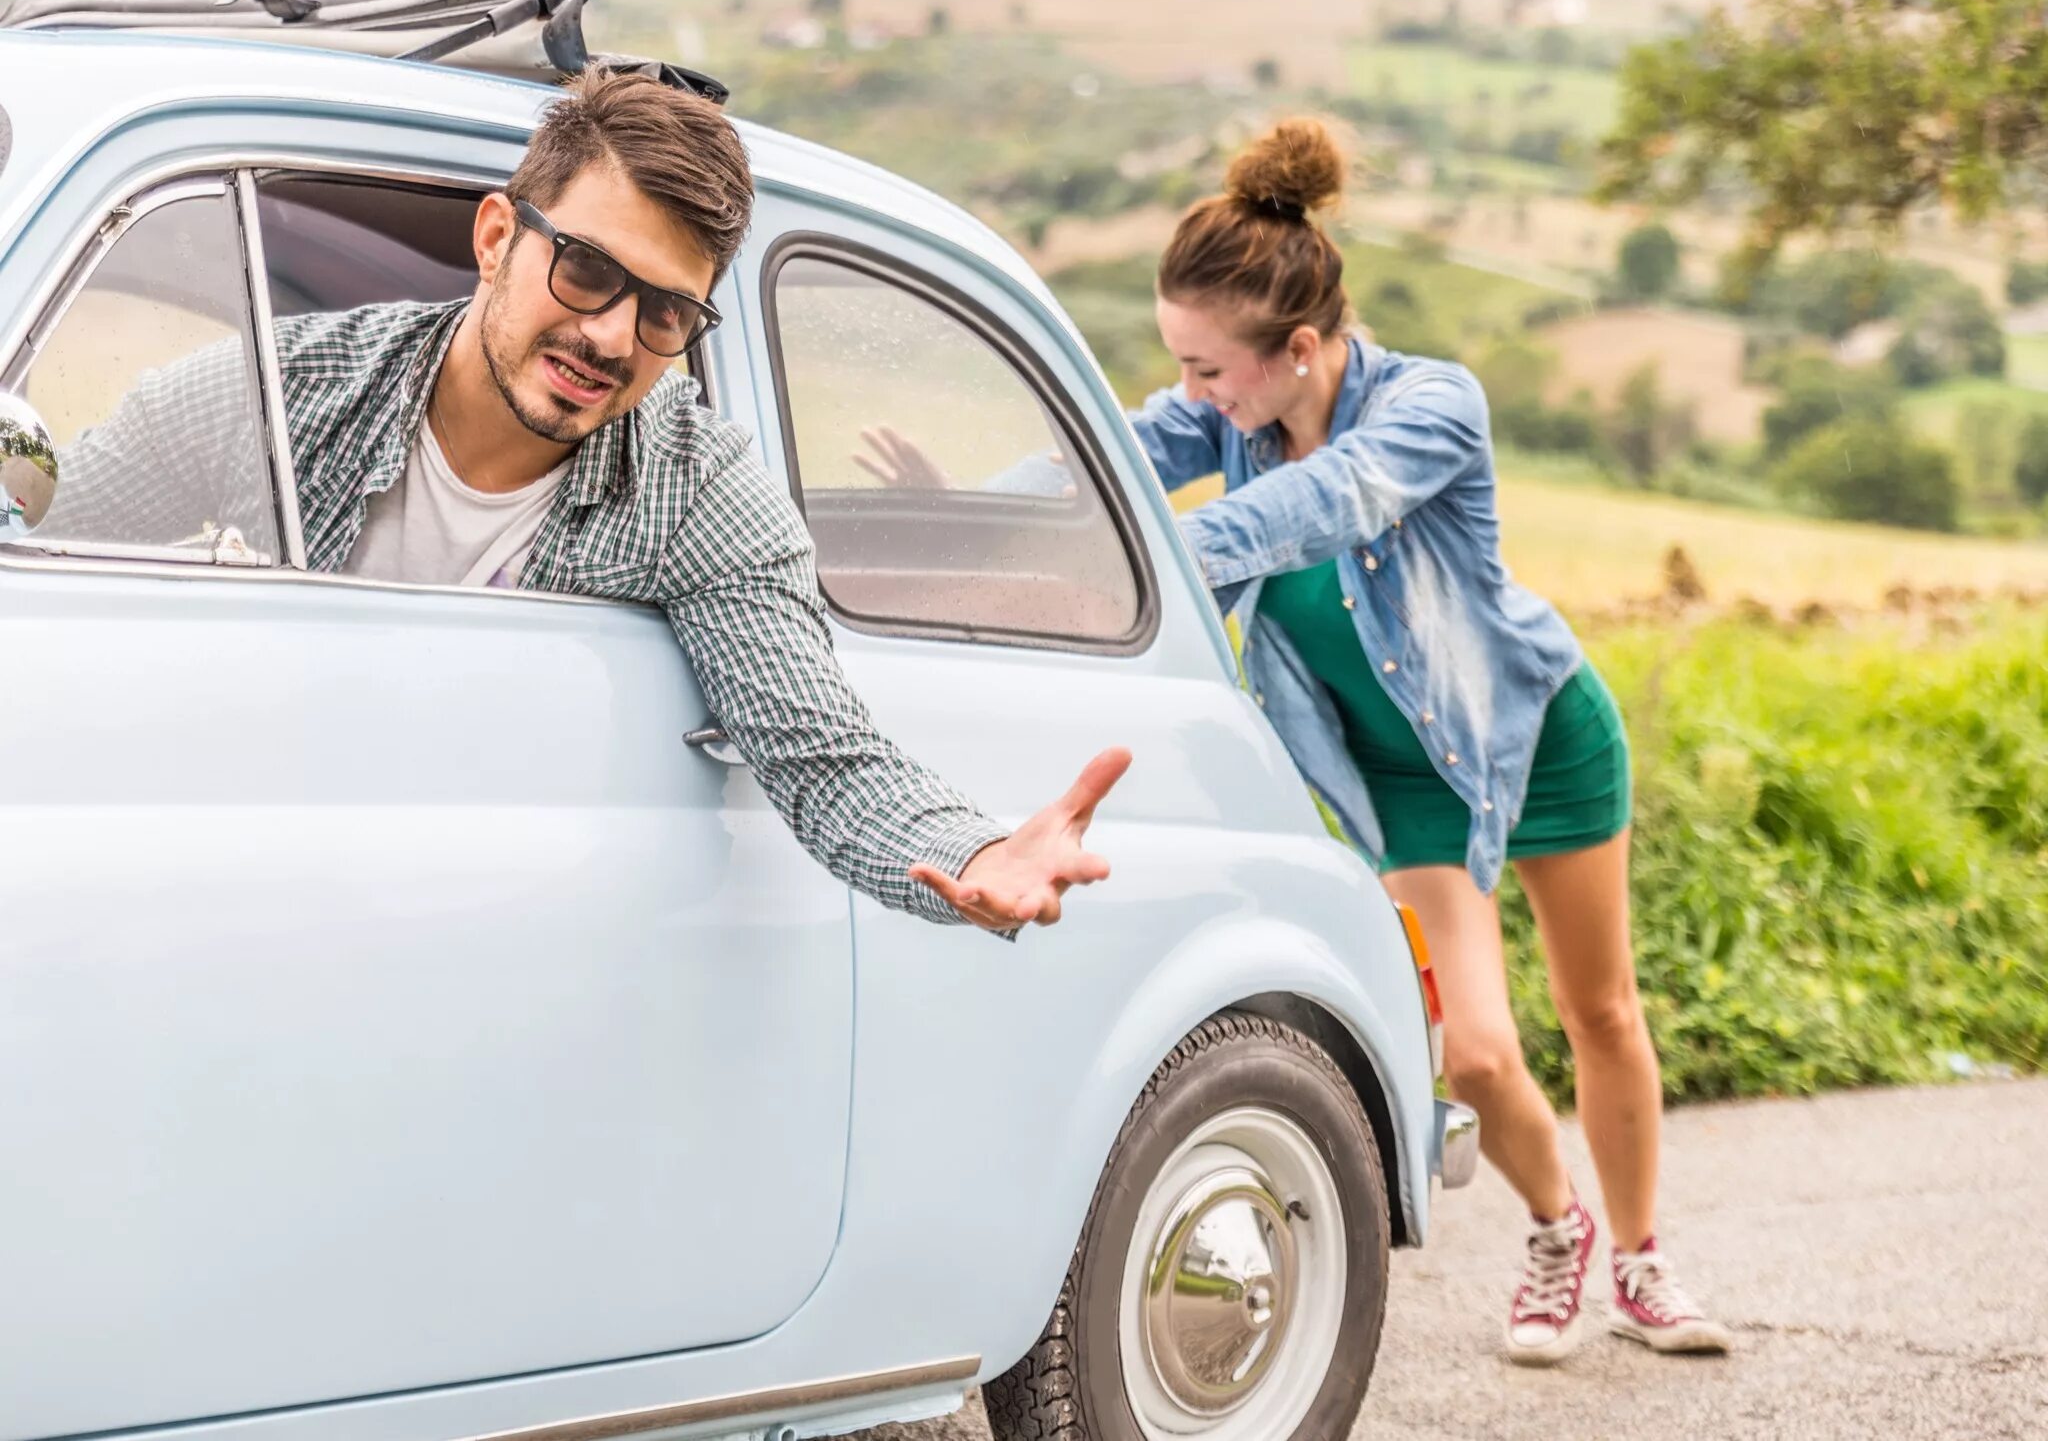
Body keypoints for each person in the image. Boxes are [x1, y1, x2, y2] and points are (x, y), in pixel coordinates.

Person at [861, 118, 1731, 1364]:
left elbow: (1318, 507)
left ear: (1301, 350)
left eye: (1210, 371)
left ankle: (1644, 1265)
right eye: (1185, 370)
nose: (1195, 396)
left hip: (1532, 734)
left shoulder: (1431, 406)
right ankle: (1559, 1230)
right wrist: (954, 509)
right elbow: (1093, 464)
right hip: (1403, 783)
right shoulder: (1223, 419)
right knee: (1478, 1051)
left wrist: (1159, 552)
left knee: (1600, 1008)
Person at [37, 70, 1126, 937]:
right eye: (589, 272)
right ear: (497, 238)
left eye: (664, 312)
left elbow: (822, 754)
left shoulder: (695, 484)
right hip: (265, 891)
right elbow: (44, 528)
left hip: (517, 926)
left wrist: (973, 856)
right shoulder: (280, 393)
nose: (612, 334)